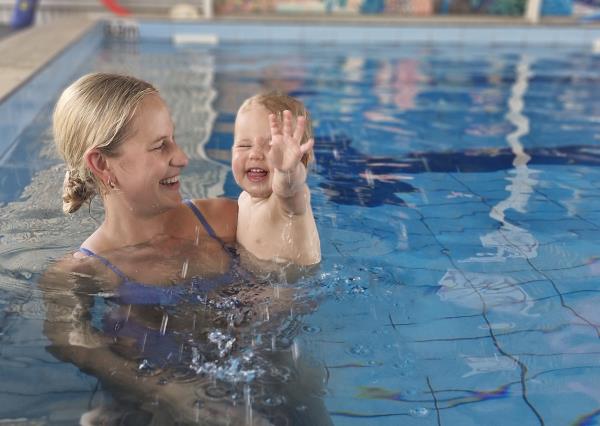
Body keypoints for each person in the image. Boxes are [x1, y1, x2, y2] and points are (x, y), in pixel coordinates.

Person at [41, 73, 332, 425]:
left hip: (266, 386)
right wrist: (167, 390)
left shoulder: (225, 220)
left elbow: (292, 231)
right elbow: (71, 342)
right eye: (160, 145)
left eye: (174, 140)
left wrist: (288, 182)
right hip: (156, 402)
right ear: (102, 164)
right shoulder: (78, 273)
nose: (182, 157)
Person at [232, 92, 321, 266]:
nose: (255, 154)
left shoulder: (288, 202)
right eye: (244, 145)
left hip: (291, 291)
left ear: (301, 159)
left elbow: (289, 188)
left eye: (273, 147)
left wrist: (287, 170)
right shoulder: (244, 199)